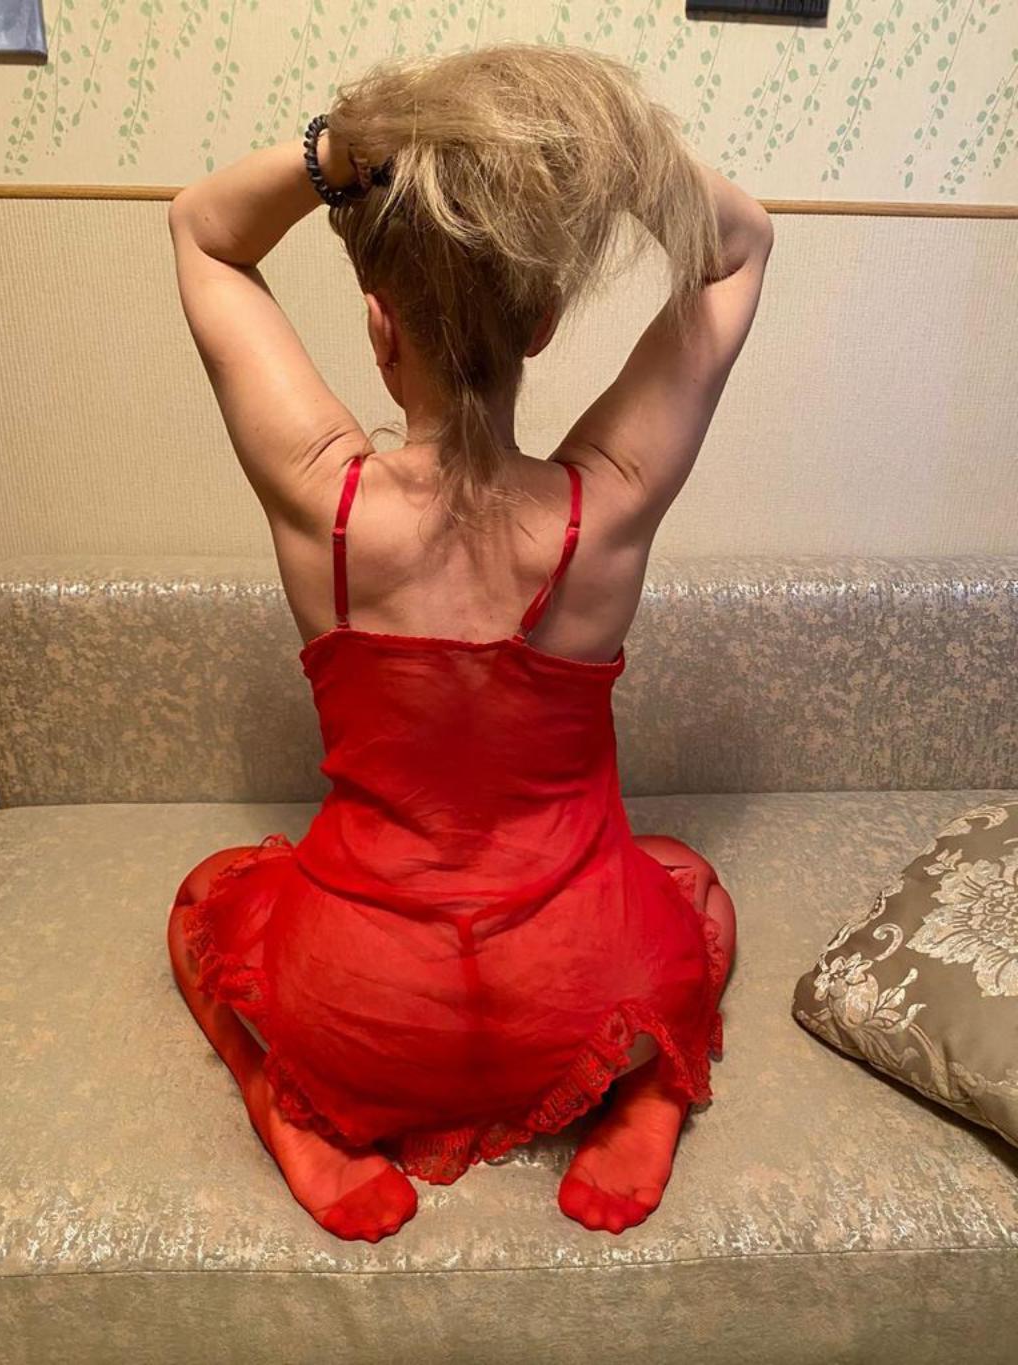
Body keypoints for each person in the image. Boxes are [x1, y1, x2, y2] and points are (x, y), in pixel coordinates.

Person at [165, 42, 773, 1244]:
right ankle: (644, 1097)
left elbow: (204, 232)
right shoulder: (606, 504)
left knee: (208, 897)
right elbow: (741, 243)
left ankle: (288, 1110)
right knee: (688, 885)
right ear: (542, 326)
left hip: (357, 1008)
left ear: (378, 325)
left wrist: (342, 150)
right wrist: (612, 160)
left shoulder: (327, 503)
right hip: (577, 995)